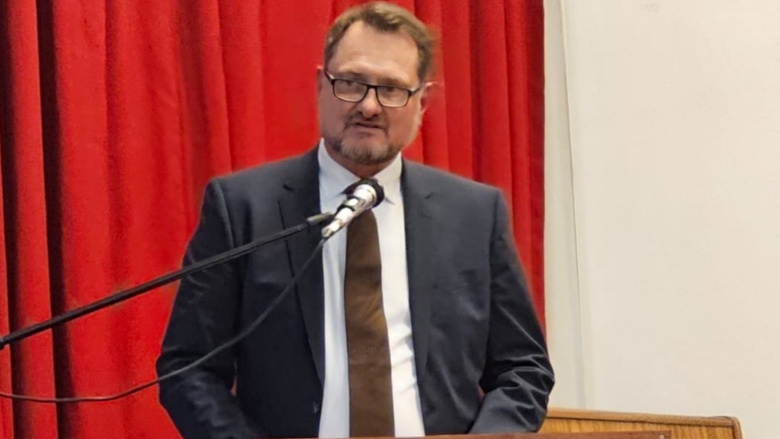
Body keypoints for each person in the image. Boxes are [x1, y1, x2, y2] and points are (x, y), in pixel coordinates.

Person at [156, 2, 554, 438]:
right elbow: (188, 369)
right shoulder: (243, 209)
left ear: (422, 102)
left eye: (392, 89)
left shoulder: (474, 215)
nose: (368, 106)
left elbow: (523, 368)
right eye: (351, 83)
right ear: (320, 85)